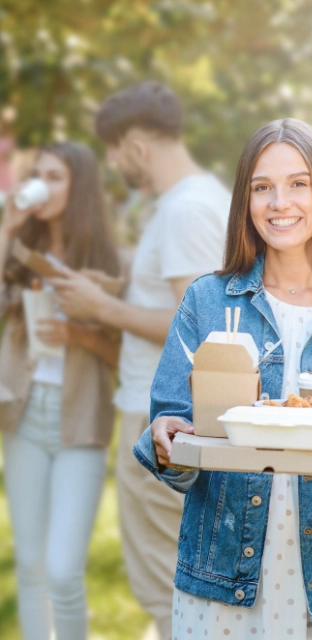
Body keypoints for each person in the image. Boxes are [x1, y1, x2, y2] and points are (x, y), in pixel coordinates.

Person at [133, 118, 312, 640]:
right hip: (219, 586)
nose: (278, 202)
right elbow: (168, 428)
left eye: (298, 183)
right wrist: (167, 438)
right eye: (261, 187)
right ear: (245, 200)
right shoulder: (206, 302)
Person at [50, 81, 231, 639]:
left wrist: (103, 305)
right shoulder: (194, 202)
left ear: (136, 146)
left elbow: (201, 333)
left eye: (112, 150)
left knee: (168, 590)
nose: (112, 163)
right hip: (167, 419)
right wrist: (118, 289)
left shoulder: (185, 210)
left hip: (161, 421)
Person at [0, 141, 122, 640]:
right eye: (39, 175)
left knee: (62, 570)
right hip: (23, 416)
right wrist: (7, 226)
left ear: (81, 188)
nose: (43, 187)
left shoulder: (112, 264)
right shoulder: (19, 253)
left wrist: (80, 334)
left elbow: (126, 357)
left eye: (56, 177)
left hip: (81, 422)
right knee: (29, 565)